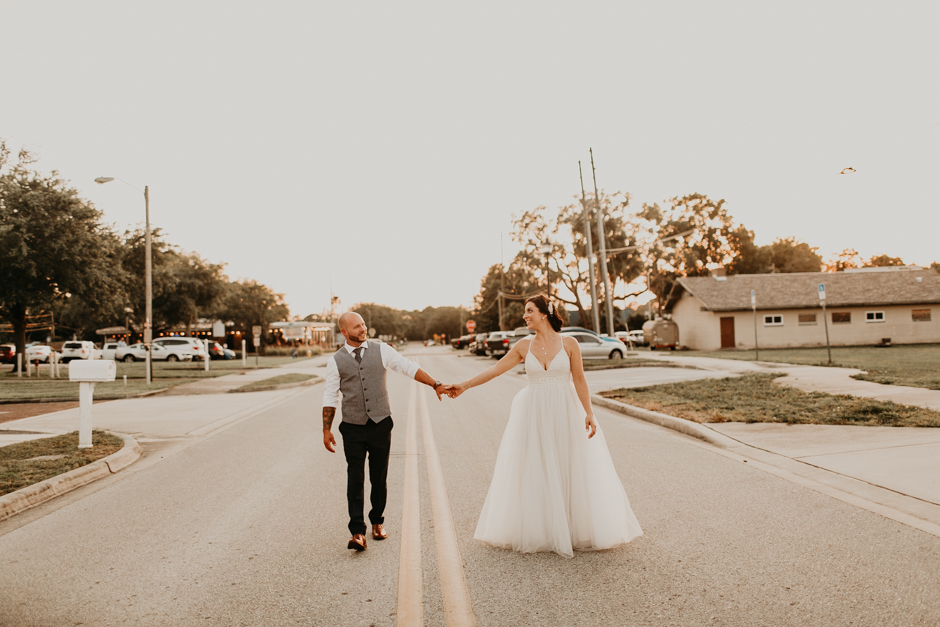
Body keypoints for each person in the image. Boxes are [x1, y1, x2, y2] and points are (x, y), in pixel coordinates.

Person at [444, 295, 642, 558]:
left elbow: (580, 380)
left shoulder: (569, 343)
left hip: (565, 410)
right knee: (538, 467)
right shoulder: (523, 346)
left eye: (529, 311)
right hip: (534, 413)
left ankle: (572, 527)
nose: (525, 316)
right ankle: (546, 529)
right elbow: (494, 370)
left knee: (569, 464)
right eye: (525, 312)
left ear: (544, 313)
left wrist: (589, 413)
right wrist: (464, 385)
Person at [322, 312, 448, 552]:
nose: (363, 328)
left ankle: (377, 522)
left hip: (380, 423)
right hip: (352, 428)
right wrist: (326, 429)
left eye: (363, 324)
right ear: (345, 332)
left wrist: (435, 383)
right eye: (357, 326)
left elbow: (408, 367)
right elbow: (330, 395)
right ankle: (357, 532)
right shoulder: (335, 361)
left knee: (379, 476)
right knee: (355, 478)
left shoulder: (382, 350)